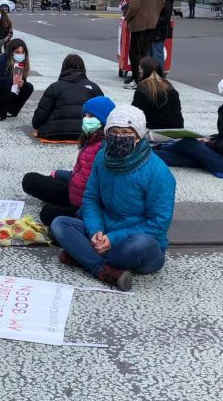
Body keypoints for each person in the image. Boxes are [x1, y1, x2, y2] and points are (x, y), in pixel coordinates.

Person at [50, 104, 175, 291]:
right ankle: (101, 269)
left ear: (139, 135)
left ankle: (84, 256)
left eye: (126, 132)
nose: (119, 137)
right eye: (114, 132)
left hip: (137, 243)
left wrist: (113, 239)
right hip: (104, 232)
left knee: (138, 246)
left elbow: (158, 223)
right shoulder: (102, 157)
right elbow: (91, 198)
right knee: (60, 224)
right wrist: (95, 231)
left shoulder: (158, 172)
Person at [23, 96, 115, 226]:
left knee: (47, 214)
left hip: (85, 205)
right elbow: (82, 174)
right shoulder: (91, 140)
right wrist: (59, 174)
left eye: (92, 116)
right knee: (30, 179)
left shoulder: (105, 146)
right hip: (74, 191)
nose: (87, 120)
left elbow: (98, 188)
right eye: (85, 116)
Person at [31, 54, 104, 140]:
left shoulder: (54, 87)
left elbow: (38, 118)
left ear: (63, 68)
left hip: (55, 132)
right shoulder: (93, 87)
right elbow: (104, 113)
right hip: (86, 132)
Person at [123, 0, 164, 86]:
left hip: (138, 25)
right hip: (152, 24)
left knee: (135, 53)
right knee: (146, 53)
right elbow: (162, 3)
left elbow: (134, 6)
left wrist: (127, 17)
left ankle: (137, 79)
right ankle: (146, 78)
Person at [0, 38, 34, 121]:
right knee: (6, 84)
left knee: (28, 87)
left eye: (23, 52)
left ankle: (10, 109)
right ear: (11, 52)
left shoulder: (21, 63)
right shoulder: (1, 61)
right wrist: (9, 81)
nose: (21, 55)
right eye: (17, 52)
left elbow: (19, 81)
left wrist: (21, 83)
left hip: (3, 87)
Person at [131, 56, 184, 130]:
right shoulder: (168, 85)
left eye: (140, 69)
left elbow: (137, 113)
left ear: (145, 70)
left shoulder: (143, 87)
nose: (139, 72)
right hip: (177, 128)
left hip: (156, 130)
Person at [147, 0, 174, 70]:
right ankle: (148, 76)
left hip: (159, 31)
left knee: (157, 54)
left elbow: (166, 17)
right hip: (150, 30)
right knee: (148, 55)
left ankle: (159, 77)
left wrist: (153, 20)